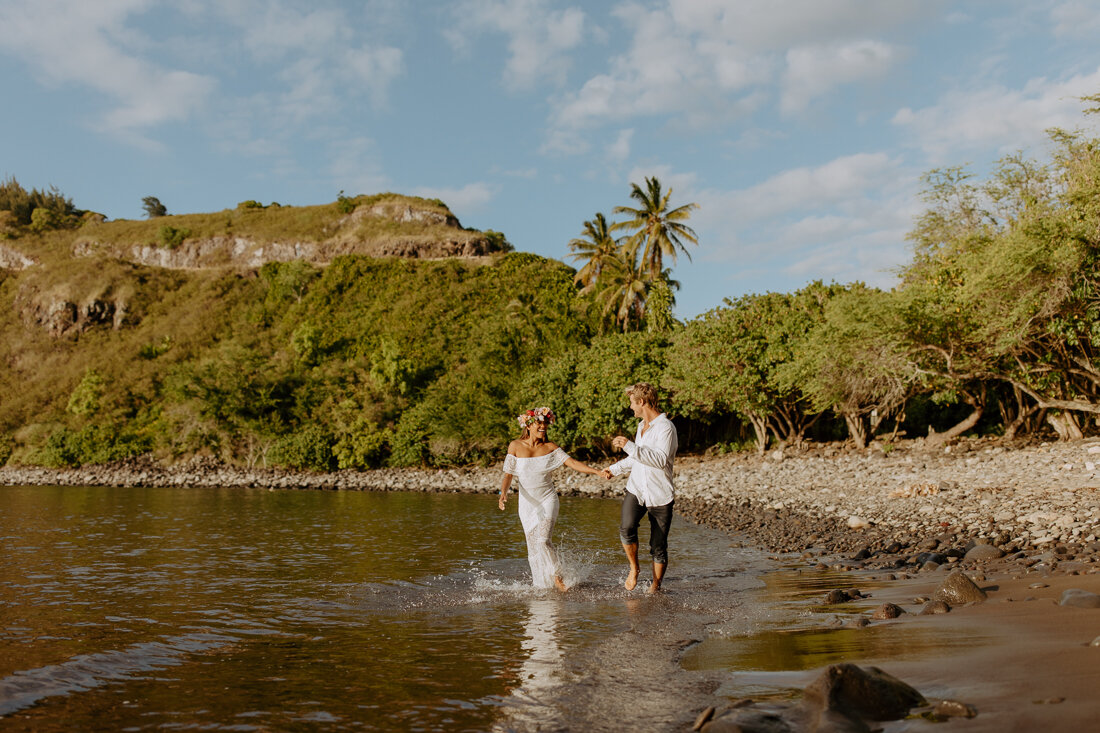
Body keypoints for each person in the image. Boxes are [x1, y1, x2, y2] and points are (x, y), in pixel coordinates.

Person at [499, 407, 603, 591]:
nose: (543, 426)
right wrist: (504, 493)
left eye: (545, 423)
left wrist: (596, 471)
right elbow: (508, 474)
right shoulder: (515, 446)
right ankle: (542, 585)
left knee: (543, 541)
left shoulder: (550, 448)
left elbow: (572, 463)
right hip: (527, 504)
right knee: (533, 549)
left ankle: (558, 578)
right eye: (539, 423)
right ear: (528, 425)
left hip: (547, 500)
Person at [601, 383, 678, 593]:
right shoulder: (640, 426)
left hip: (660, 494)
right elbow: (637, 458)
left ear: (641, 402)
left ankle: (655, 587)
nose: (630, 408)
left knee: (658, 547)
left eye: (632, 403)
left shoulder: (666, 428)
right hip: (636, 489)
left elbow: (660, 460)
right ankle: (634, 569)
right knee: (626, 527)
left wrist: (628, 445)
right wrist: (615, 468)